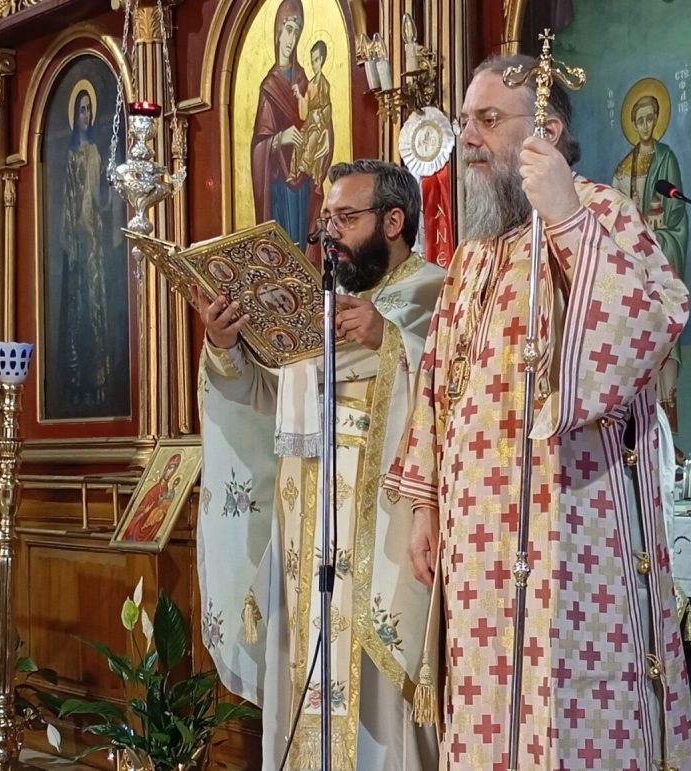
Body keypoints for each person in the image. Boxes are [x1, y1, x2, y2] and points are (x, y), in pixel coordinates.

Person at [385, 55, 691, 770]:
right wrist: (427, 505)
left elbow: (649, 325)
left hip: (573, 529)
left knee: (568, 711)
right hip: (476, 548)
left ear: (547, 132)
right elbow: (436, 384)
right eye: (466, 121)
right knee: (487, 711)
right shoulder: (473, 255)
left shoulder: (602, 214)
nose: (468, 137)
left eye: (488, 120)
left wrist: (565, 219)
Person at [195, 159, 444, 770]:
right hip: (307, 539)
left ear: (393, 221)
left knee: (381, 716)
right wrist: (225, 347)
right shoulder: (318, 307)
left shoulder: (436, 293)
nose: (330, 233)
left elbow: (464, 391)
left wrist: (392, 341)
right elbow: (268, 401)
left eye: (346, 218)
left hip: (384, 541)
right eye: (326, 219)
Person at [612, 86, 688, 431]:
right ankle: (640, 436)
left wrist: (658, 237)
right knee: (635, 349)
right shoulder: (623, 168)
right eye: (639, 120)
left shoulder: (666, 159)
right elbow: (613, 220)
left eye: (650, 119)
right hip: (634, 270)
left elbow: (677, 215)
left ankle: (668, 432)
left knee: (666, 347)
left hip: (661, 261)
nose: (645, 126)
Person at [60, 86, 114, 413]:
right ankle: (75, 380)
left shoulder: (94, 152)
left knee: (94, 307)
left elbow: (98, 200)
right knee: (75, 311)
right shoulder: (69, 156)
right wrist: (71, 239)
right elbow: (66, 201)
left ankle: (96, 381)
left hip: (92, 241)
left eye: (89, 109)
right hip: (76, 245)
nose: (86, 115)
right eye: (81, 109)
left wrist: (109, 193)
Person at [250, 0, 317, 246]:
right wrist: (279, 139)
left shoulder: (302, 79)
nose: (291, 39)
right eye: (288, 30)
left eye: (296, 33)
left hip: (302, 180)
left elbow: (315, 120)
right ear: (278, 32)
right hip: (280, 182)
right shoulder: (269, 86)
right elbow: (258, 145)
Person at [291, 39, 334, 193]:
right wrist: (299, 95)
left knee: (313, 138)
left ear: (322, 60)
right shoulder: (310, 84)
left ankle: (305, 165)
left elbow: (327, 108)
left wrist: (320, 116)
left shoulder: (324, 84)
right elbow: (305, 108)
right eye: (312, 61)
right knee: (298, 139)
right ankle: (294, 172)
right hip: (309, 121)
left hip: (320, 125)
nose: (314, 64)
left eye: (316, 60)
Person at [122, 453, 182, 542]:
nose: (171, 472)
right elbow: (142, 508)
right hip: (142, 523)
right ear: (165, 468)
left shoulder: (166, 488)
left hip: (153, 524)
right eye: (170, 468)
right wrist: (146, 512)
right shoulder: (155, 489)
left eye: (174, 469)